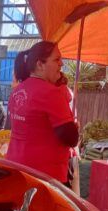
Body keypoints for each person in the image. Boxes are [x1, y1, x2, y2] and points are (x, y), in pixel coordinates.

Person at [6, 41, 79, 184]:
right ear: (40, 64)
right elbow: (70, 138)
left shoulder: (17, 91)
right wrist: (75, 128)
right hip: (45, 176)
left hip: (17, 168)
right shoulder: (51, 93)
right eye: (56, 59)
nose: (61, 64)